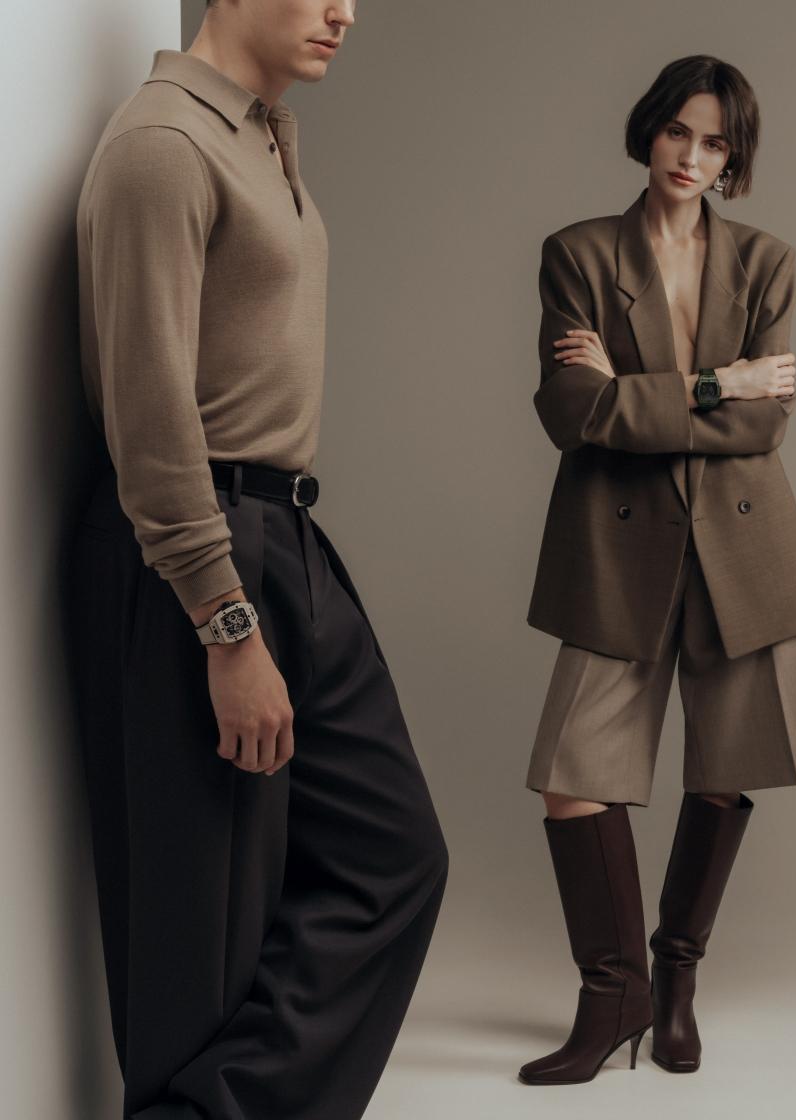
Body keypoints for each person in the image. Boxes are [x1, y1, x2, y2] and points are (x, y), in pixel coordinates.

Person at [67, 4, 449, 1117]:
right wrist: (224, 624)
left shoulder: (257, 134)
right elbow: (149, 419)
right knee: (203, 943)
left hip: (284, 534)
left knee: (394, 858)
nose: (345, 11)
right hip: (193, 547)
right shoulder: (162, 146)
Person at [518, 54, 796, 1085]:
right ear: (648, 130)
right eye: (678, 132)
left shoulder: (766, 261)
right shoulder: (579, 252)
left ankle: (673, 980)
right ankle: (610, 993)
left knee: (721, 769)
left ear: (732, 157)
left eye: (715, 143)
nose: (691, 157)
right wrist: (716, 383)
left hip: (741, 548)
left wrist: (644, 396)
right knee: (571, 779)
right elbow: (571, 413)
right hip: (617, 546)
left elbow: (764, 426)